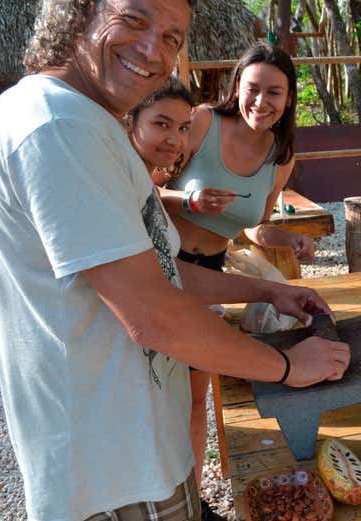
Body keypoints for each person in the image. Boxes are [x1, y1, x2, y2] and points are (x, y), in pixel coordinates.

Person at [0, 2, 350, 521]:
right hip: (112, 473)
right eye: (133, 19)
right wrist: (286, 366)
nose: (155, 51)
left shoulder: (83, 121)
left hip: (137, 453)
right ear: (76, 13)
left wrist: (268, 292)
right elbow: (152, 316)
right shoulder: (58, 127)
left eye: (172, 37)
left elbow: (162, 272)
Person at [153, 42, 315, 512]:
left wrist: (290, 241)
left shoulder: (280, 157)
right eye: (253, 89)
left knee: (195, 395)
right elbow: (139, 187)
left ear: (288, 100)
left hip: (211, 274)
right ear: (236, 88)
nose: (261, 103)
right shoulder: (202, 122)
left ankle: (191, 499)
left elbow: (255, 224)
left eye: (274, 93)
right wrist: (188, 203)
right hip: (160, 261)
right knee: (154, 386)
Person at [125, 77, 227, 520]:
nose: (175, 139)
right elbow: (145, 297)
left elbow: (172, 272)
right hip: (141, 354)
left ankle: (194, 499)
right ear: (131, 122)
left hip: (172, 331)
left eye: (184, 127)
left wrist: (267, 289)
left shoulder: (144, 182)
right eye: (161, 124)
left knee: (188, 411)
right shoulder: (123, 185)